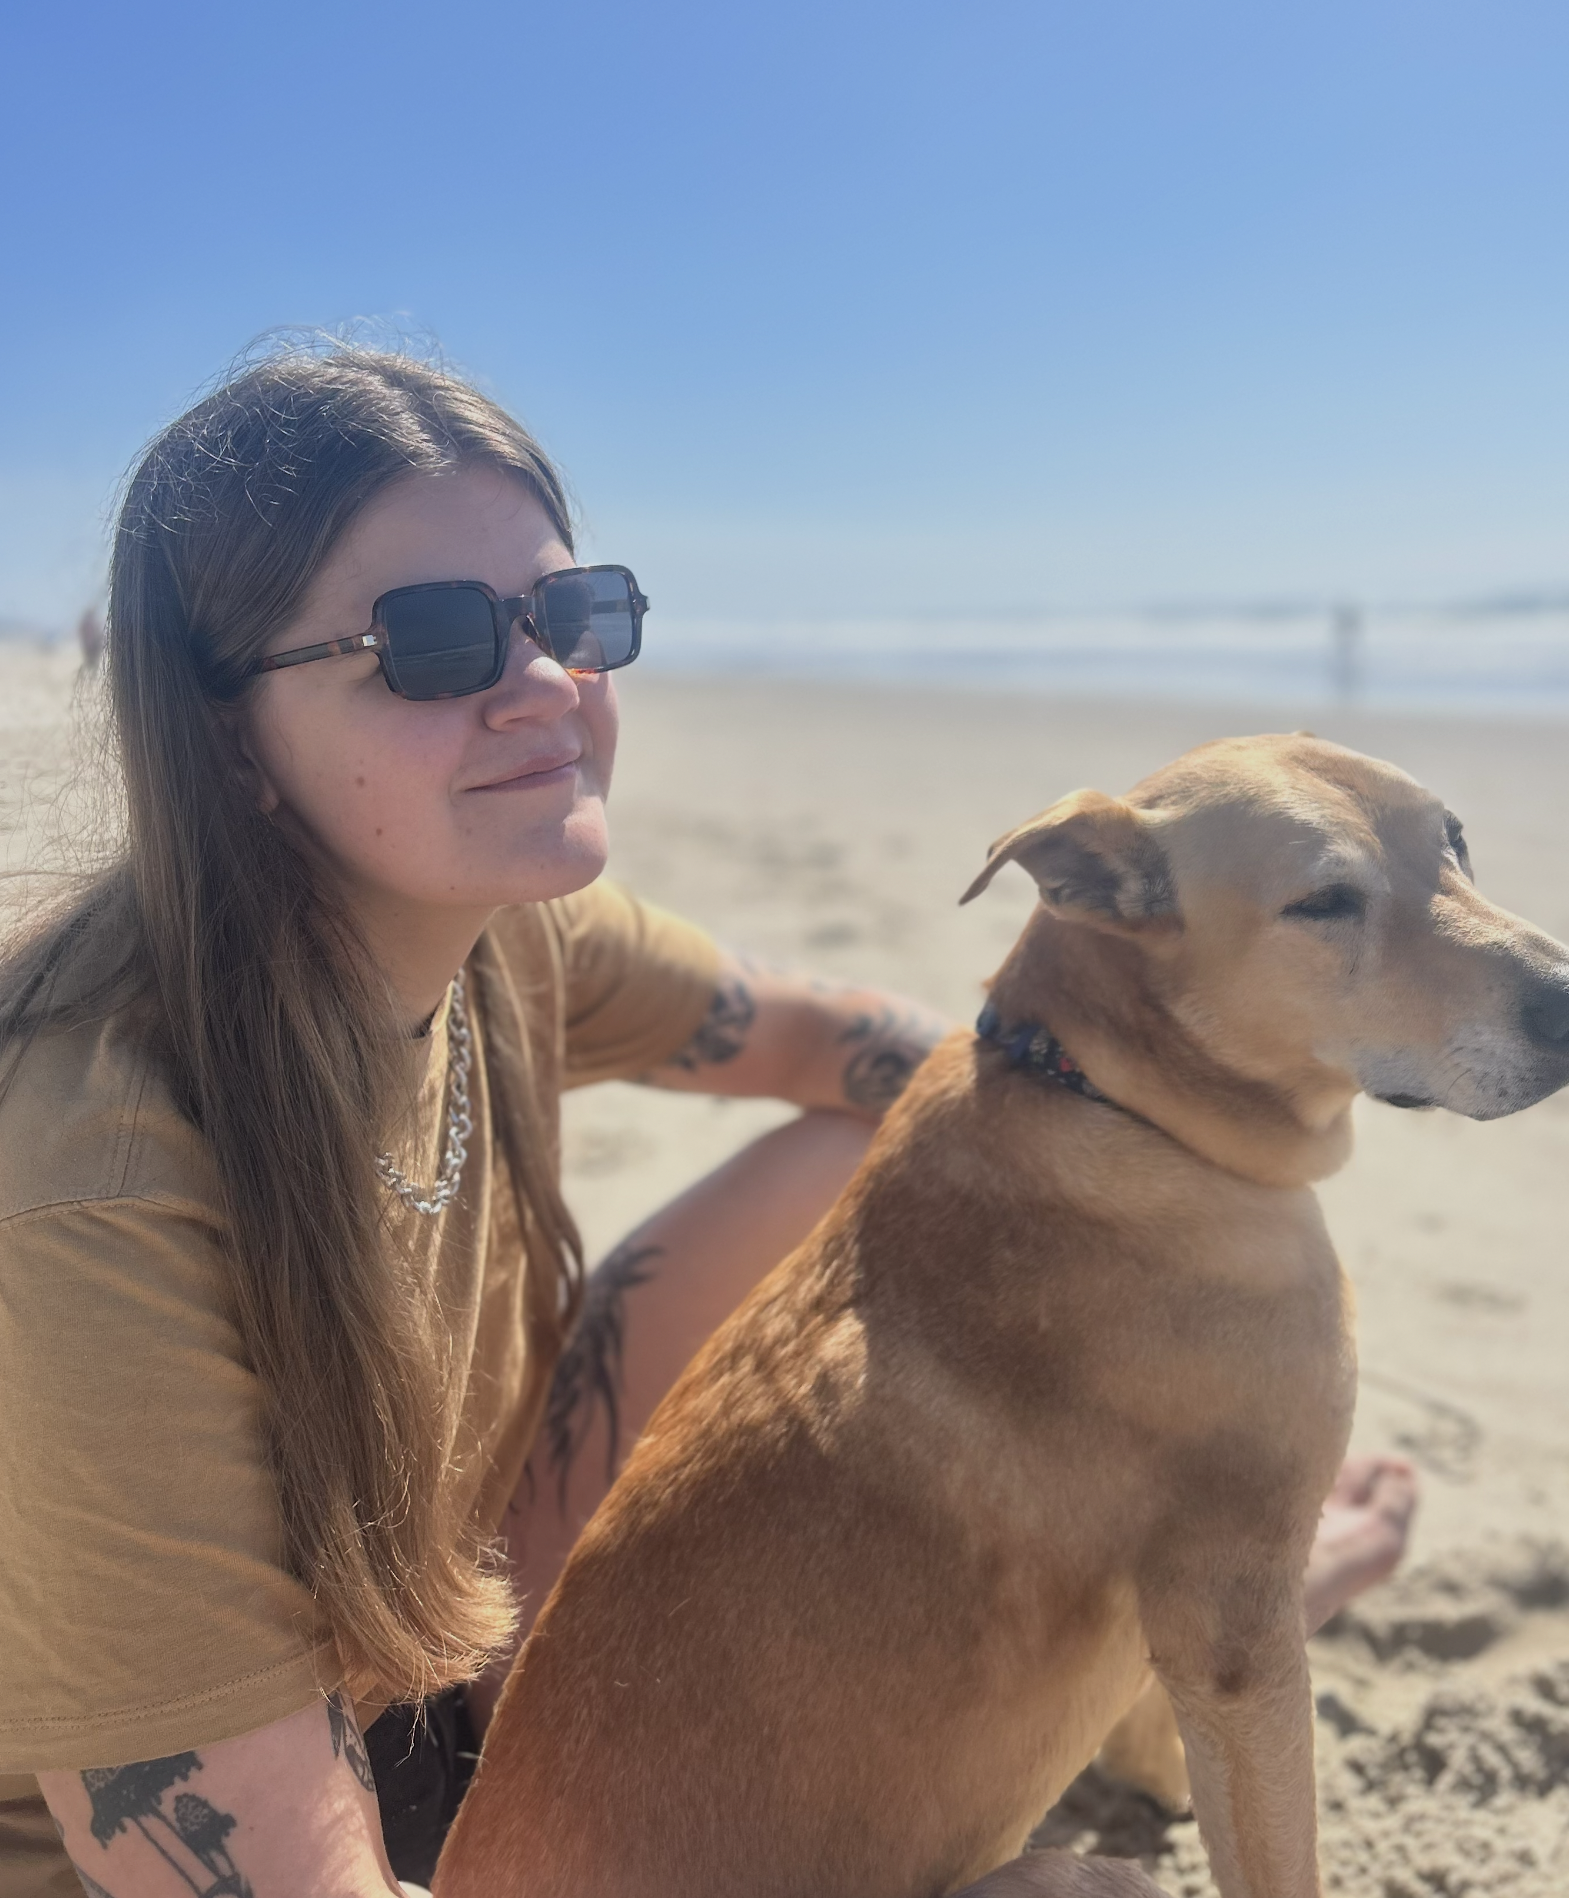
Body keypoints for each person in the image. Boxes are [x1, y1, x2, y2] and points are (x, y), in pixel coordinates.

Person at [0, 346, 1415, 1898]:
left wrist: (1179, 1450)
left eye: (571, 612)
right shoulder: (92, 1195)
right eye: (431, 641)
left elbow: (878, 1055)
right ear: (225, 739)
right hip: (169, 1846)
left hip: (433, 1651)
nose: (542, 681)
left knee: (875, 1156)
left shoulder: (501, 930)